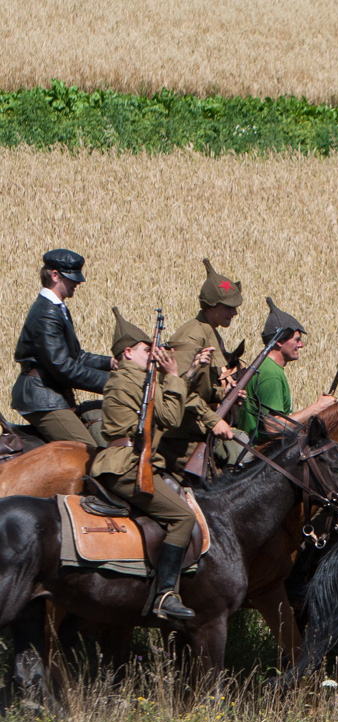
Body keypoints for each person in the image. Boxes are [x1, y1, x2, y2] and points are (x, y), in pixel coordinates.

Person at [90, 308, 199, 620]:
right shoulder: (136, 382)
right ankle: (165, 594)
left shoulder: (131, 380)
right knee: (182, 518)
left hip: (122, 460)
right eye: (146, 350)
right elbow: (172, 417)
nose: (152, 356)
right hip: (127, 463)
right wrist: (174, 376)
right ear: (127, 352)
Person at [12, 249, 114, 446]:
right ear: (55, 275)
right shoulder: (47, 313)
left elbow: (76, 357)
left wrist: (111, 363)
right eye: (72, 277)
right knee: (86, 452)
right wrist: (113, 384)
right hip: (42, 399)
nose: (78, 282)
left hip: (49, 394)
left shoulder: (57, 309)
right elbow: (63, 368)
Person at [159, 260, 241, 475]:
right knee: (215, 482)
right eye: (229, 307)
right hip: (177, 437)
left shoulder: (208, 331)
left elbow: (201, 387)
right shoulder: (192, 336)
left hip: (194, 430)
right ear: (212, 305)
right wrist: (213, 420)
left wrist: (224, 393)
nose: (234, 313)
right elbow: (179, 389)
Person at [238, 298, 336, 444]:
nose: (301, 345)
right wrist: (316, 408)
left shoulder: (265, 367)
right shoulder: (271, 374)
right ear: (279, 341)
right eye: (297, 340)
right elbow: (274, 428)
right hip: (263, 457)